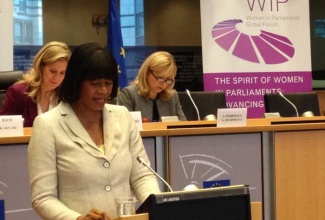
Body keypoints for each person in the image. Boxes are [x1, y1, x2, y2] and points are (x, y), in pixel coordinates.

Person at [28, 43, 161, 220]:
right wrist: (77, 218)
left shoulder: (123, 116)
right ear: (76, 82)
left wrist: (155, 208)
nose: (103, 90)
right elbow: (42, 198)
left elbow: (142, 176)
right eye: (95, 84)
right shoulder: (47, 125)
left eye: (108, 83)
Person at [0, 41, 71, 127]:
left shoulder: (66, 96)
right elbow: (3, 130)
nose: (57, 77)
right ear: (40, 67)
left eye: (62, 73)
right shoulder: (18, 93)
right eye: (52, 71)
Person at [116, 51, 186, 122]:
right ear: (147, 73)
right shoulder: (129, 94)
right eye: (160, 77)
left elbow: (184, 128)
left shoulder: (172, 97)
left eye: (168, 79)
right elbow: (123, 127)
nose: (164, 83)